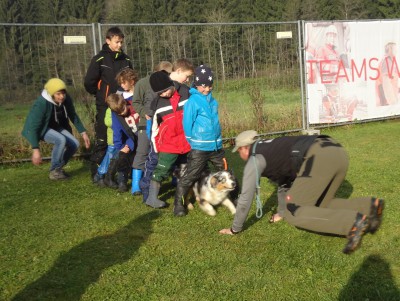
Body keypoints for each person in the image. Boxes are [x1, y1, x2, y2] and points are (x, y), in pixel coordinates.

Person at [219, 130, 385, 255]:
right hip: (336, 150)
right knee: (318, 204)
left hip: (318, 156)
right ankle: (369, 206)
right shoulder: (271, 147)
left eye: (239, 151)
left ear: (244, 148)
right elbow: (284, 182)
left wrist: (235, 228)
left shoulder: (254, 158)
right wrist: (280, 212)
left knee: (295, 212)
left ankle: (351, 223)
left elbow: (246, 197)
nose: (240, 154)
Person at [173, 64, 228, 217]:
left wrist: (218, 139)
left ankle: (233, 197)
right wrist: (192, 140)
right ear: (196, 84)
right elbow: (187, 123)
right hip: (199, 146)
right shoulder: (193, 102)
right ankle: (178, 204)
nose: (207, 89)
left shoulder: (213, 101)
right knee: (191, 175)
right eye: (203, 86)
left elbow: (215, 122)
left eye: (209, 85)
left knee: (225, 171)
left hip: (215, 146)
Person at [140, 59, 194, 203]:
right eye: (159, 93)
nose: (163, 94)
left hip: (186, 141)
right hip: (168, 144)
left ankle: (183, 198)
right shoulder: (157, 103)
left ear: (170, 84)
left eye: (164, 91)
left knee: (185, 170)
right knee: (161, 171)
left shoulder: (186, 93)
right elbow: (154, 128)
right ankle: (152, 197)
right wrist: (156, 146)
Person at [84, 26, 132, 181]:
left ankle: (120, 172)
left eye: (121, 42)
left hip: (123, 105)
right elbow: (89, 82)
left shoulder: (126, 60)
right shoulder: (99, 59)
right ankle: (97, 173)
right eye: (117, 42)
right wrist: (101, 96)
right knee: (104, 139)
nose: (119, 45)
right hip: (105, 106)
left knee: (123, 138)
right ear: (108, 40)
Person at [22, 78, 91, 180]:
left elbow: (73, 115)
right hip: (40, 128)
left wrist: (83, 133)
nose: (62, 96)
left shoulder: (66, 99)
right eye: (58, 94)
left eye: (63, 93)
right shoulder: (41, 103)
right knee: (60, 140)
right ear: (51, 94)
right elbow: (33, 128)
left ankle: (57, 169)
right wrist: (35, 149)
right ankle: (54, 171)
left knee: (74, 144)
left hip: (54, 126)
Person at [130, 61, 174, 196]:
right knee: (143, 152)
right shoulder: (142, 84)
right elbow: (136, 102)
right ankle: (136, 185)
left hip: (164, 124)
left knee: (167, 152)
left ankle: (171, 179)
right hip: (146, 123)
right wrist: (146, 113)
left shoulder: (170, 85)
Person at [106, 93, 139, 192]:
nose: (121, 113)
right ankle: (121, 181)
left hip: (141, 135)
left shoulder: (134, 103)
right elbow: (117, 130)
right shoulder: (115, 114)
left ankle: (137, 179)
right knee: (123, 156)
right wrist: (120, 146)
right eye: (118, 112)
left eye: (123, 110)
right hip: (129, 139)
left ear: (125, 103)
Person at [376, 42, 399, 106]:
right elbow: (386, 84)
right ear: (389, 50)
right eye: (395, 49)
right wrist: (393, 102)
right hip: (387, 97)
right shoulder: (387, 61)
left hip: (389, 93)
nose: (397, 51)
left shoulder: (390, 61)